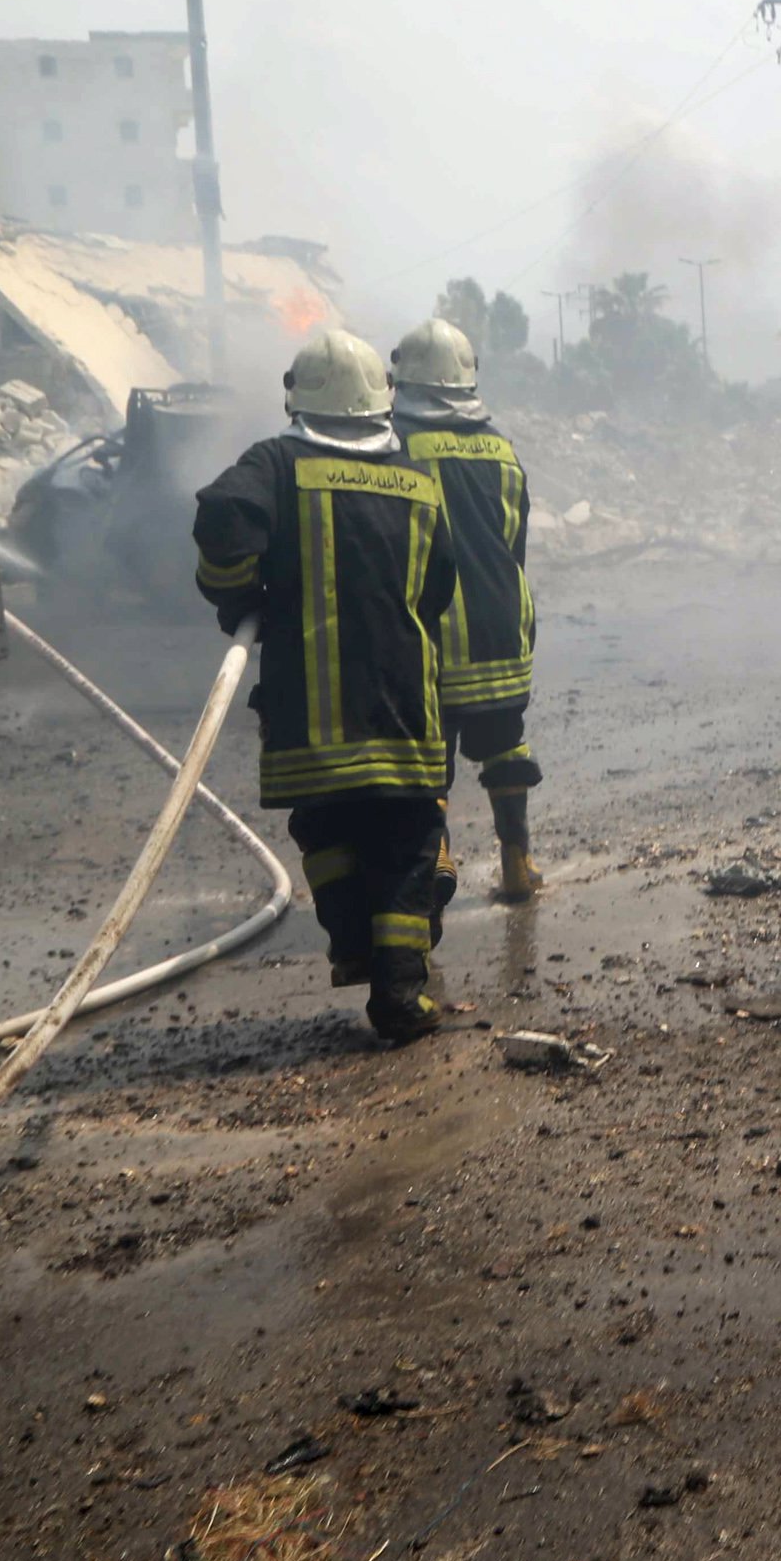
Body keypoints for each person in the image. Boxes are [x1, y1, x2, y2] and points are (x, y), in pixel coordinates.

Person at [192, 328, 459, 1044]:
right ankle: (400, 992)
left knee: (328, 829)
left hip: (310, 715)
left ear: (297, 397)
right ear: (381, 400)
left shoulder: (278, 464)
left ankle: (352, 947)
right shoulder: (417, 481)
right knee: (408, 844)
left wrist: (239, 592)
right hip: (403, 708)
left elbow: (223, 518)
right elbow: (437, 590)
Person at [391, 317, 543, 902]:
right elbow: (514, 543)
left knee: (432, 759)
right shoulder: (502, 451)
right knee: (506, 744)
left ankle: (437, 863)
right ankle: (517, 862)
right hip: (505, 629)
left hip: (433, 635)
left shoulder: (398, 448)